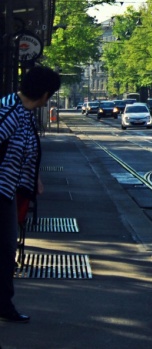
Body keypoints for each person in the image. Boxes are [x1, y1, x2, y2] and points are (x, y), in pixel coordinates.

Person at [0, 65, 61, 323]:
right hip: (1, 191)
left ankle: (4, 303)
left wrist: (33, 178)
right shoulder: (9, 112)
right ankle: (4, 305)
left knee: (6, 249)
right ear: (45, 94)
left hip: (9, 190)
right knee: (4, 250)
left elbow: (24, 148)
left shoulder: (22, 111)